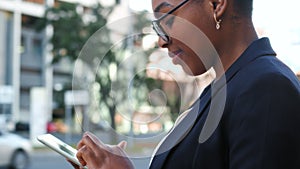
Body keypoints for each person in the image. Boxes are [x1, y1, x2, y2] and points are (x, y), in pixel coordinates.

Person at [69, 0, 300, 168]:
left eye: (168, 18)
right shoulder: (225, 88)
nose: (161, 40)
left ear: (217, 4)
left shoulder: (267, 88)